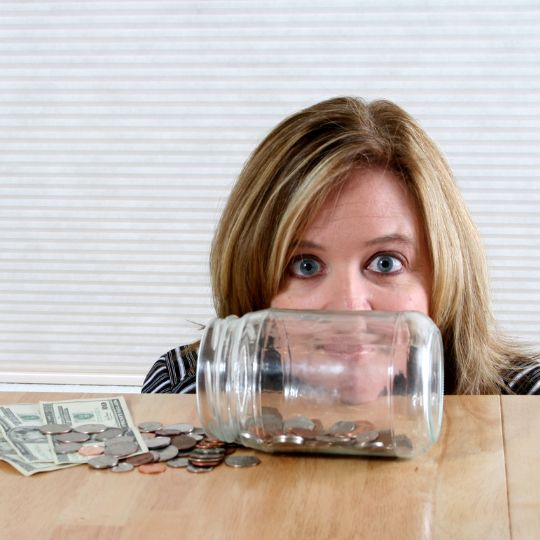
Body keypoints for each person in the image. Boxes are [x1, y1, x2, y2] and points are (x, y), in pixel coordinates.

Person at [142, 96, 540, 395]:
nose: (349, 307)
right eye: (305, 266)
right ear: (254, 284)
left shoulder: (528, 404)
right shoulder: (187, 390)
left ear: (446, 274)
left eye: (385, 263)